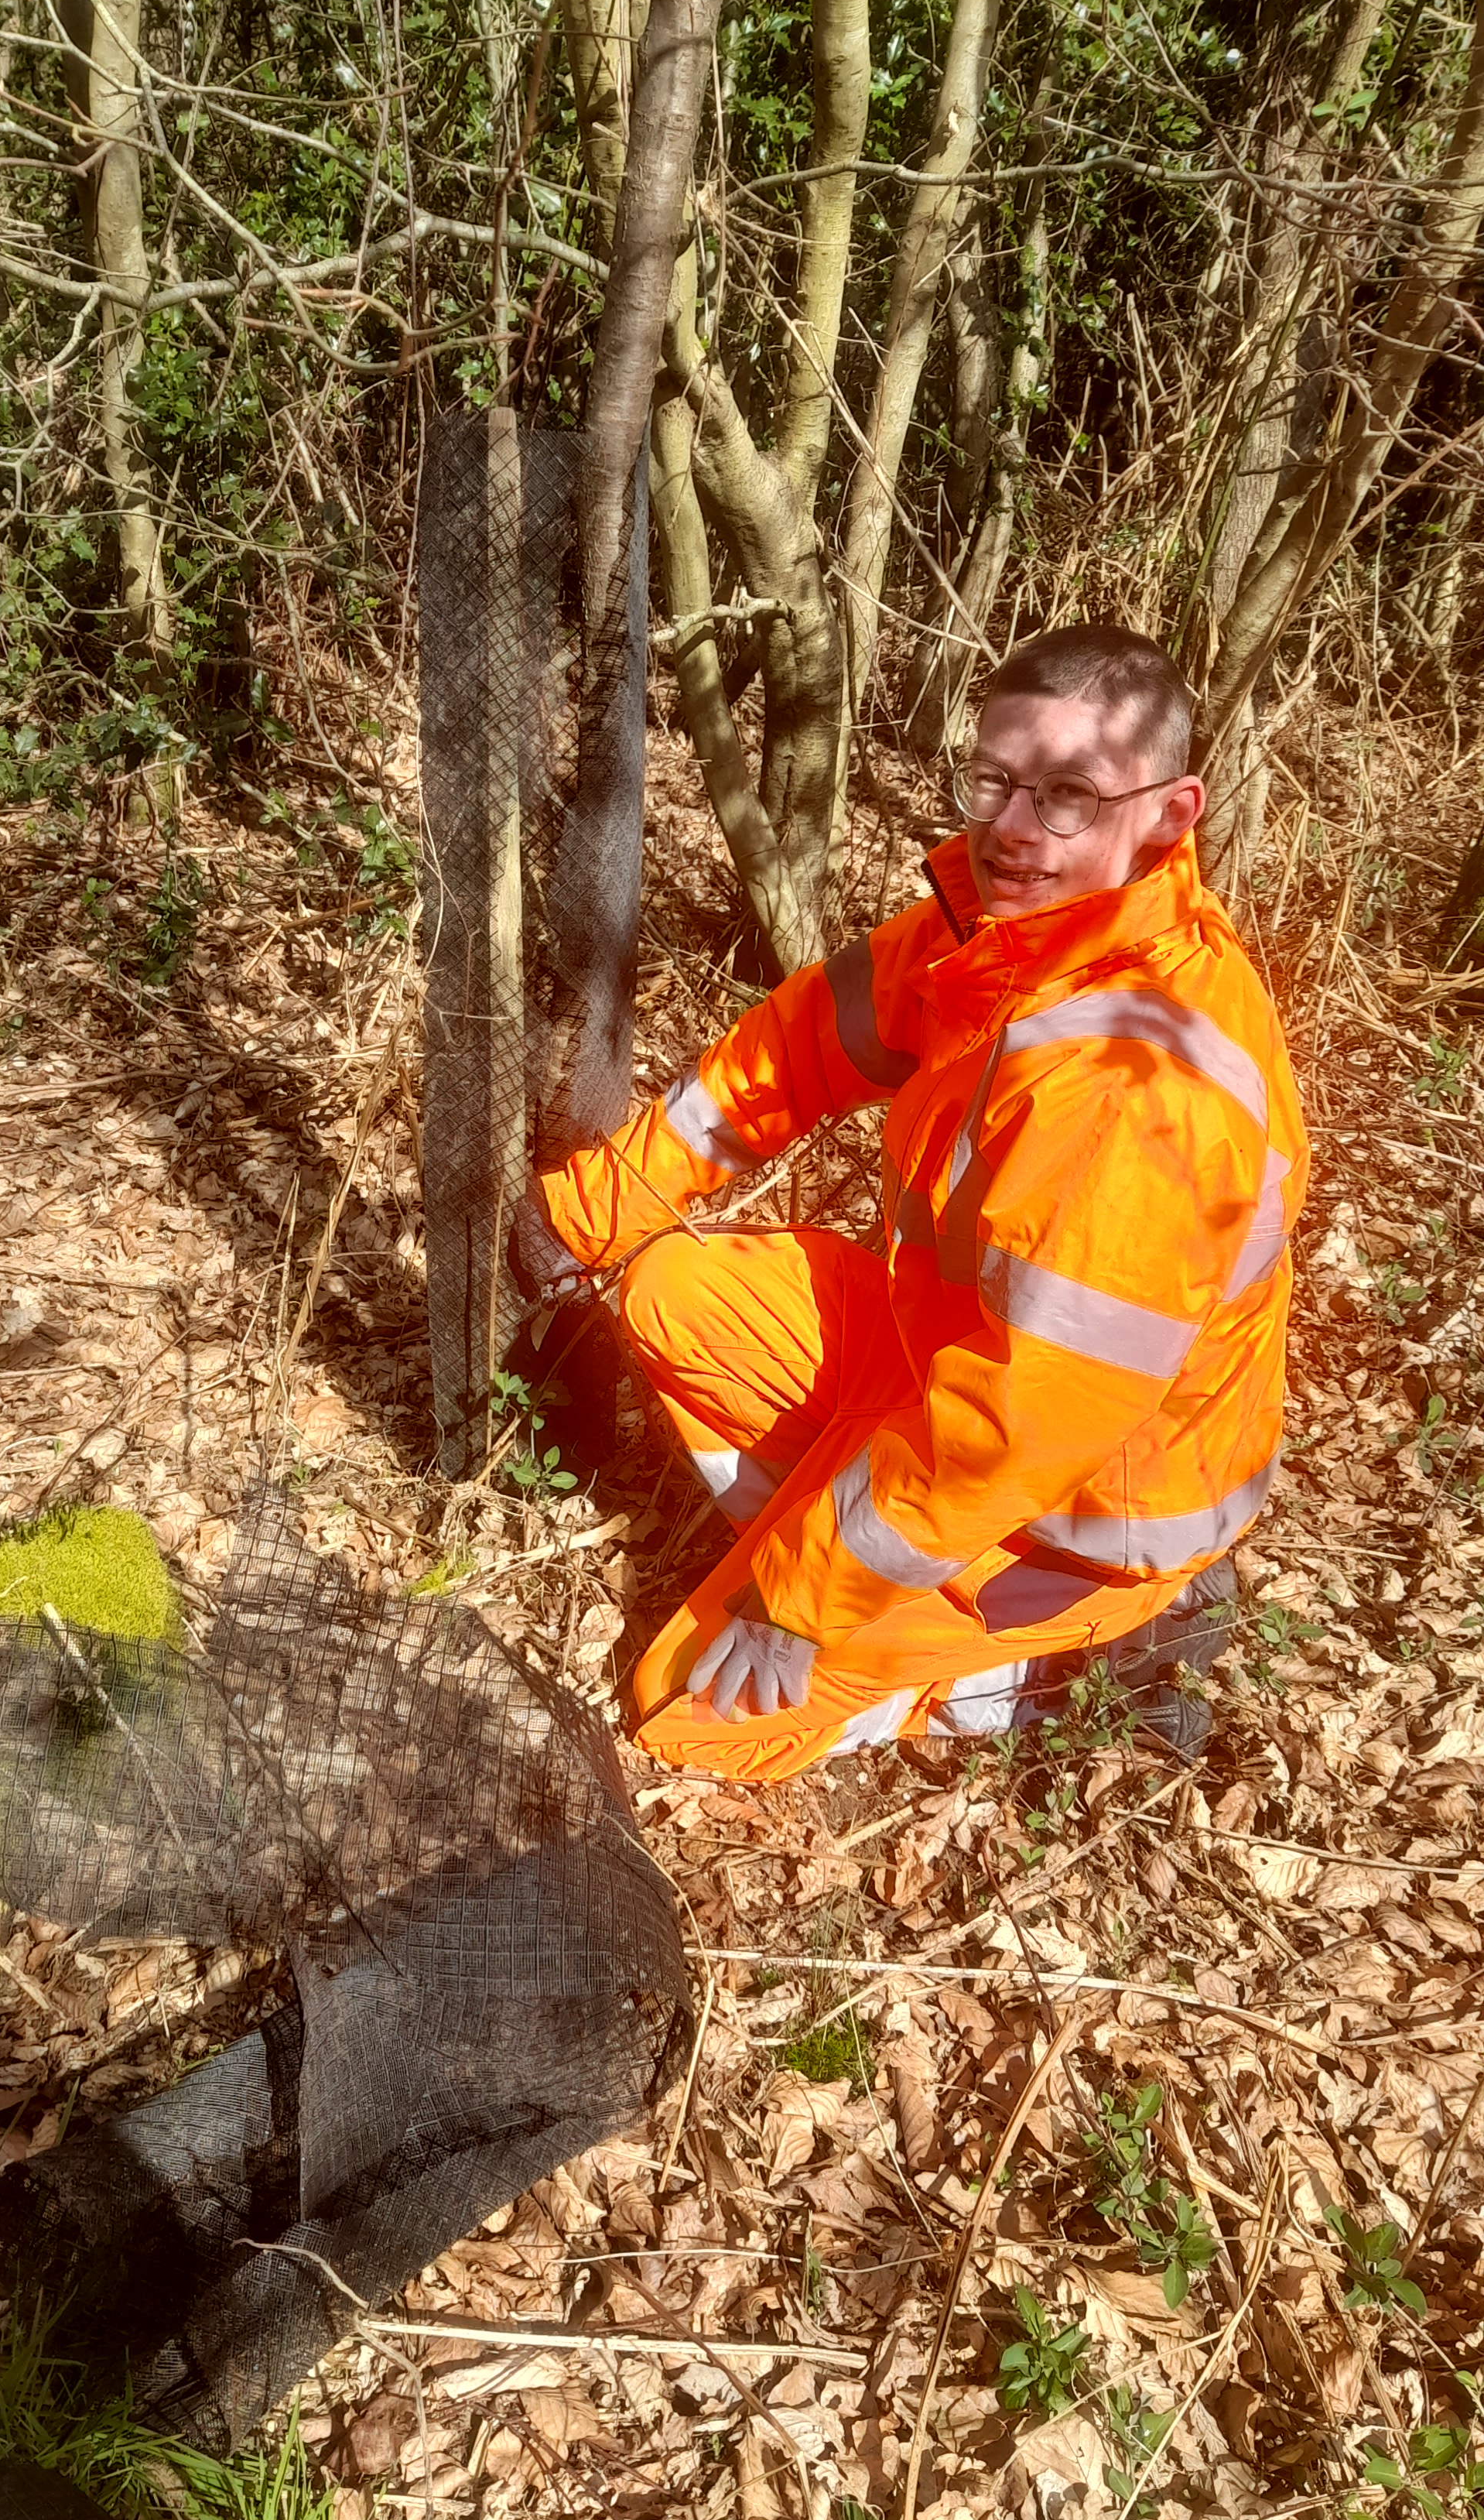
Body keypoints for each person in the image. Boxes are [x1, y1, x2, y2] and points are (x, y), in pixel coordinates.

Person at [508, 624, 1308, 1782]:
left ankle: (1074, 1667)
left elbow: (1021, 1431)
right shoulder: (998, 937)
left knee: (688, 1717)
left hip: (1067, 1519)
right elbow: (800, 1051)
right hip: (943, 1369)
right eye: (994, 780)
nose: (1014, 829)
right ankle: (857, 1560)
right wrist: (588, 1210)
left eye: (1071, 795)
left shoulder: (1144, 1095)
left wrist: (799, 1598)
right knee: (674, 1291)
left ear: (1169, 815)